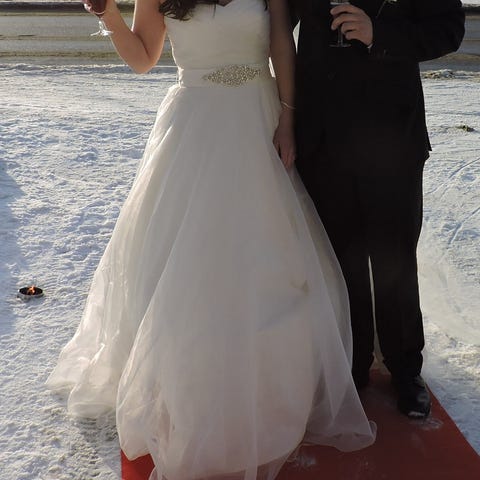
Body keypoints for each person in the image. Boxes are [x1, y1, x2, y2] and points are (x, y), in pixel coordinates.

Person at [47, 0, 376, 478]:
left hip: (257, 119)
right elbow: (143, 59)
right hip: (194, 127)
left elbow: (281, 44)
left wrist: (287, 117)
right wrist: (108, 15)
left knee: (268, 253)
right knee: (187, 259)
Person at [290, 0, 465, 418]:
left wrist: (378, 35)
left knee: (395, 259)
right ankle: (351, 365)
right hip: (320, 136)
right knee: (339, 260)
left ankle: (405, 369)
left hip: (392, 136)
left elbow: (448, 29)